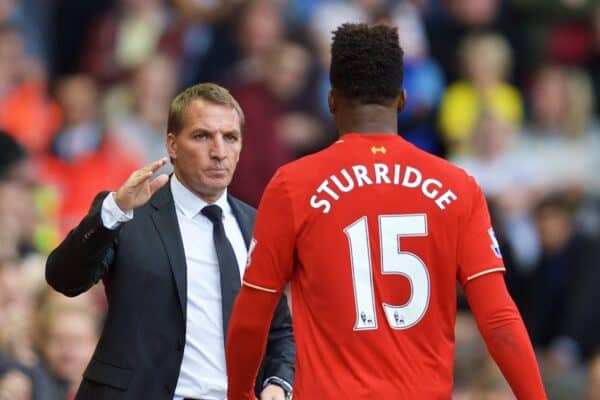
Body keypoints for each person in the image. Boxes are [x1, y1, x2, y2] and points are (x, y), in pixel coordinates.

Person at [226, 23, 546, 399]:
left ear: (331, 101)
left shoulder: (292, 186)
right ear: (403, 100)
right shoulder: (458, 187)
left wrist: (241, 394)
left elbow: (252, 316)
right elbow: (499, 320)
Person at [45, 83, 295, 400]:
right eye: (202, 136)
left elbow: (279, 329)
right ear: (172, 145)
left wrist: (277, 381)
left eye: (230, 137)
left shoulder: (258, 226)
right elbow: (63, 278)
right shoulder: (129, 211)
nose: (219, 152)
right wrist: (114, 211)